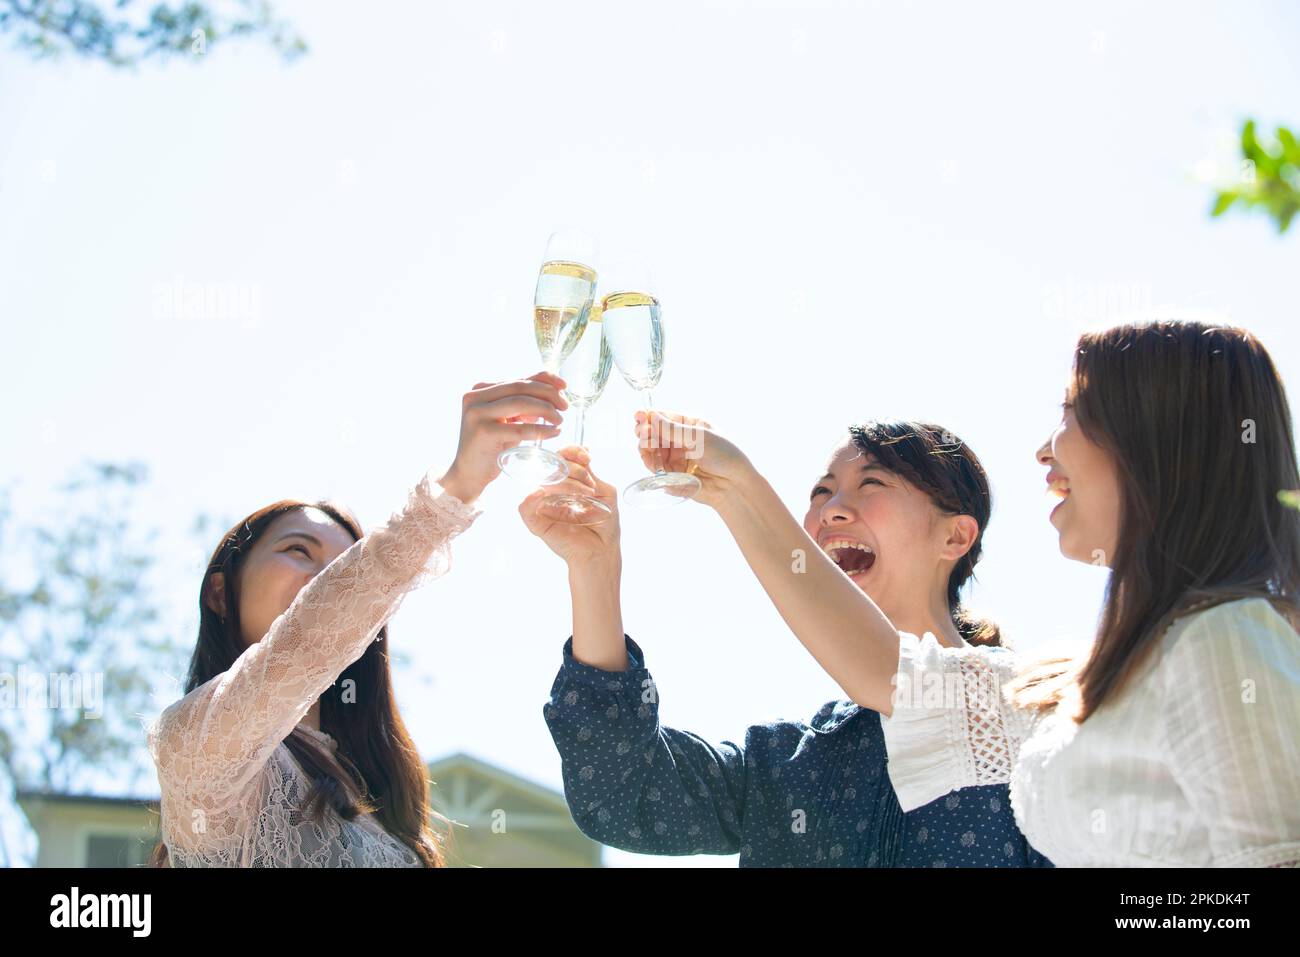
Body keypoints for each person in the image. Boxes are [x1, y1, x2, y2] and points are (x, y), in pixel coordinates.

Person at [639, 319, 1300, 867]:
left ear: (1156, 438)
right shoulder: (1086, 680)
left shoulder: (1227, 641)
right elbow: (889, 673)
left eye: (1072, 411)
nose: (1045, 451)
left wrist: (738, 485)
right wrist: (731, 486)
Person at [523, 422, 1052, 866]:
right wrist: (593, 567)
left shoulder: (1040, 711)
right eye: (821, 492)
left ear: (955, 537)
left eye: (872, 484)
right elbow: (623, 795)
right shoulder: (786, 763)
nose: (832, 510)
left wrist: (737, 488)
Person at [145, 371, 569, 866]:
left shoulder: (382, 803)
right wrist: (457, 485)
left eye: (342, 568)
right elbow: (306, 637)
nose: (327, 580)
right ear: (220, 592)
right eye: (298, 550)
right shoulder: (194, 744)